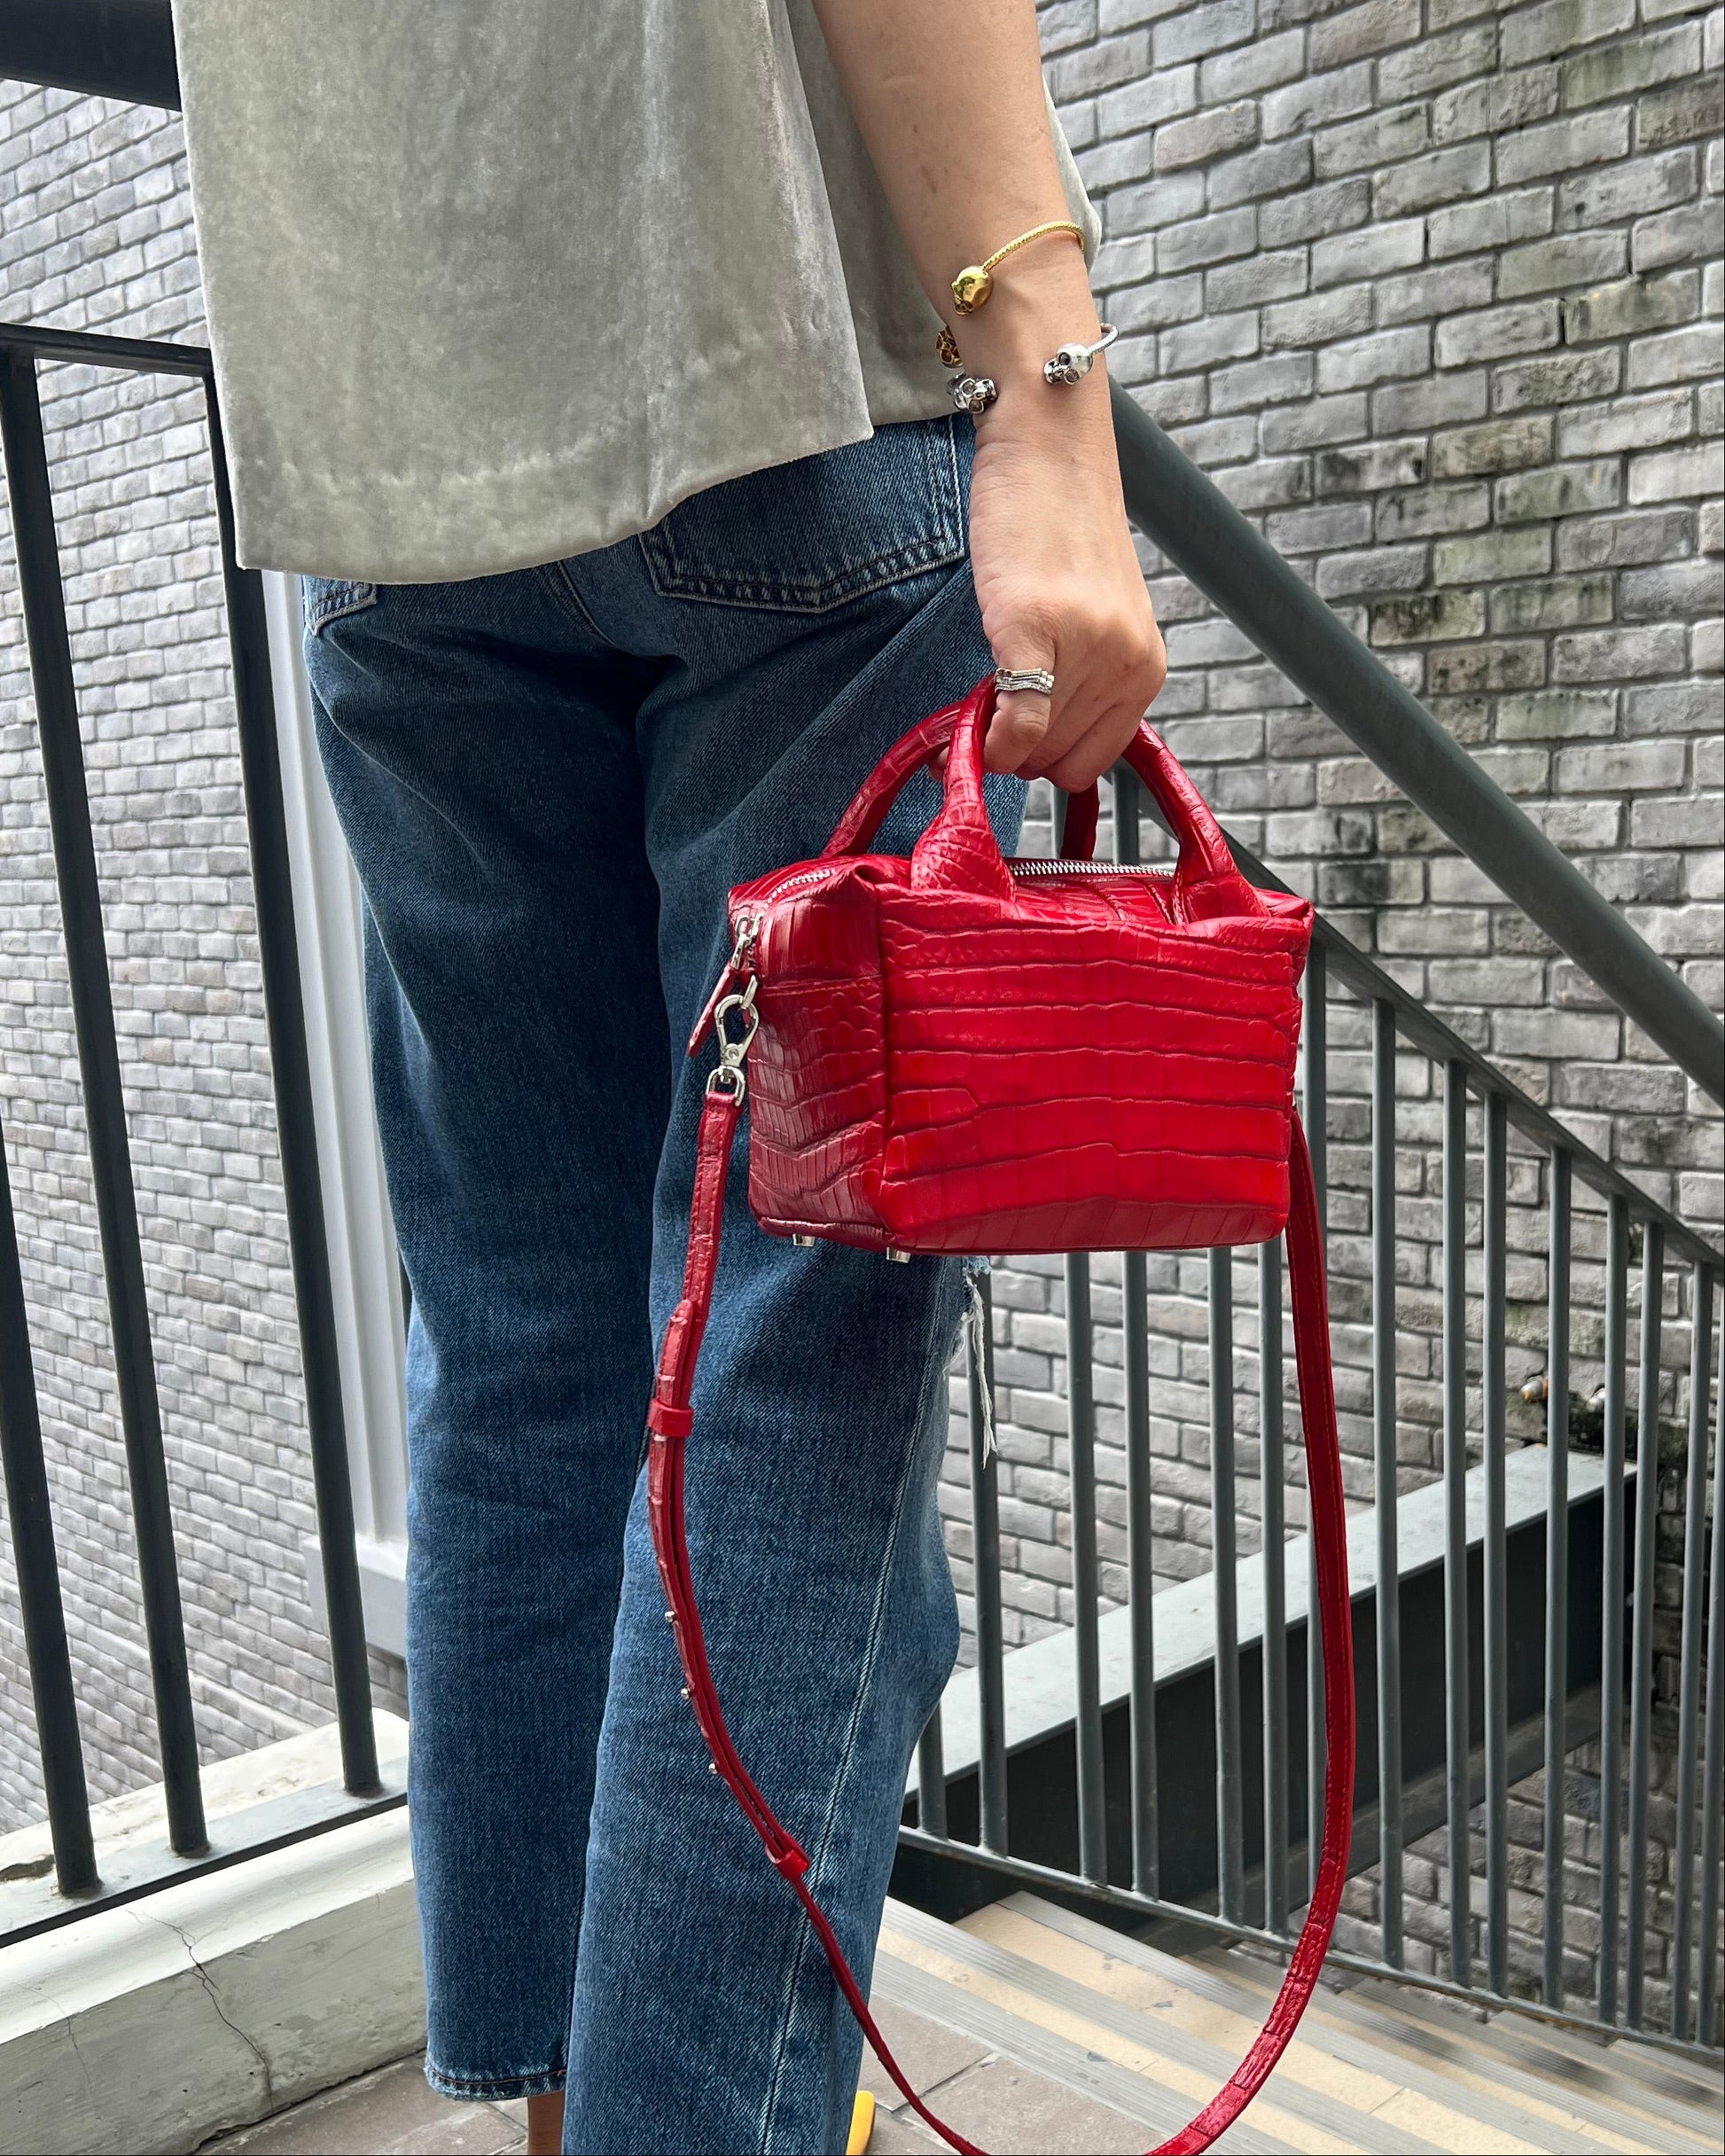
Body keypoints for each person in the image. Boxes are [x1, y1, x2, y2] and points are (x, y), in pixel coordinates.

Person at [171, 3, 1166, 2149]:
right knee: (778, 1380)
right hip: (768, 392)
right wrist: (1053, 388)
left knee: (527, 1341)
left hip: (392, 466)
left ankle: (555, 2113)